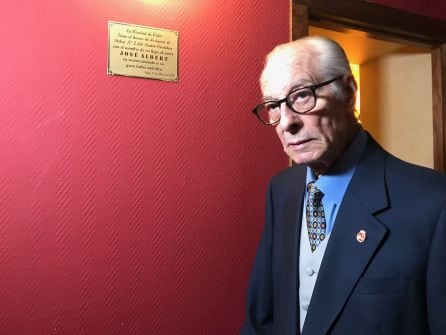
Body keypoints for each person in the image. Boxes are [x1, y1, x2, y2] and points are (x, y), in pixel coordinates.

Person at [241, 36, 446, 335]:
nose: (286, 123)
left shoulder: (434, 203)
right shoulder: (281, 190)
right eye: (273, 105)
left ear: (348, 93)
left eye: (301, 95)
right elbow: (261, 318)